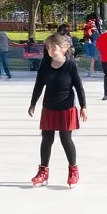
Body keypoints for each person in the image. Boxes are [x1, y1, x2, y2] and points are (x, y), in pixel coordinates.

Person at [28, 33, 87, 187]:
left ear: (64, 48)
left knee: (65, 139)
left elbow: (79, 87)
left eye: (53, 48)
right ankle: (43, 172)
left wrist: (84, 106)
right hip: (49, 107)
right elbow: (39, 84)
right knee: (46, 140)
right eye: (48, 47)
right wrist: (33, 103)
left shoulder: (70, 65)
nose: (50, 51)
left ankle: (73, 170)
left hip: (66, 108)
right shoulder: (45, 64)